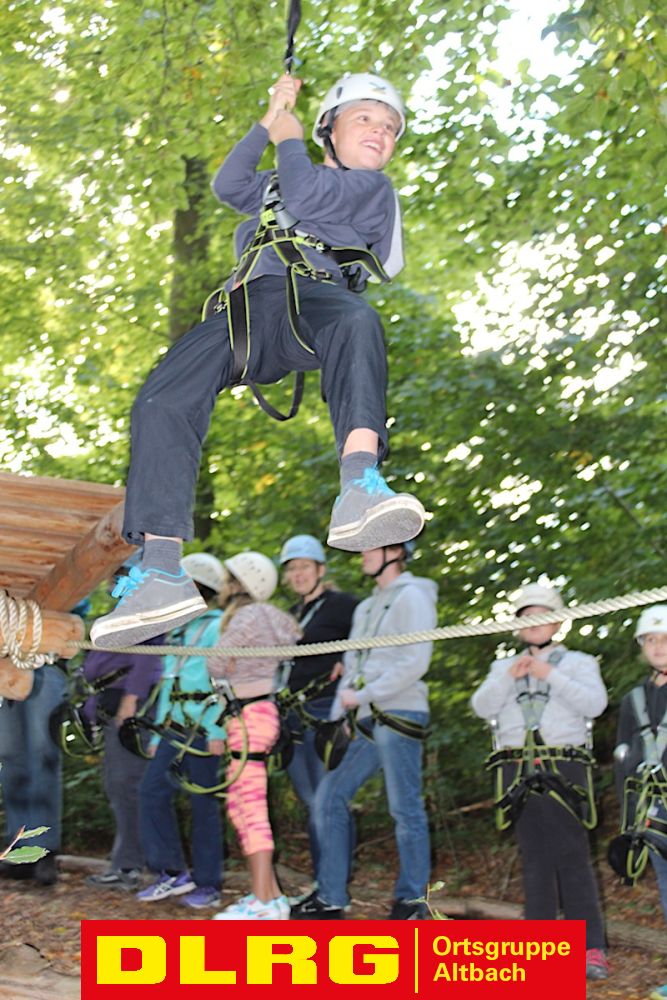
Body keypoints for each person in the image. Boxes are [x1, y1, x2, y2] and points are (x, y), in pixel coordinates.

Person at [90, 70, 425, 652]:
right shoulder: (280, 180)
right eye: (365, 119)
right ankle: (161, 567)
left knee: (357, 321)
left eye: (390, 128)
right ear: (329, 130)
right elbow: (228, 184)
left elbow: (308, 195)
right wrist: (269, 121)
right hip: (244, 312)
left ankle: (359, 483)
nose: (381, 132)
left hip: (312, 302)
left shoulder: (371, 188)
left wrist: (288, 138)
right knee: (162, 397)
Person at [470, 583, 610, 981]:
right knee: (534, 857)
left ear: (559, 622)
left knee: (572, 854)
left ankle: (590, 947)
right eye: (526, 616)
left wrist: (551, 675)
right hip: (517, 767)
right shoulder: (502, 667)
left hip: (564, 765)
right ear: (517, 626)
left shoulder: (580, 663)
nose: (534, 623)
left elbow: (595, 705)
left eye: (542, 615)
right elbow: (481, 707)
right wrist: (507, 678)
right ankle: (540, 947)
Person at [291, 540, 436, 920]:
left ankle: (413, 902)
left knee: (404, 807)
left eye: (371, 548)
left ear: (396, 552)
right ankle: (331, 896)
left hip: (400, 709)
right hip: (364, 716)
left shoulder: (414, 596)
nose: (363, 556)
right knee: (327, 798)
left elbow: (415, 661)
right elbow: (353, 665)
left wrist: (364, 695)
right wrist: (338, 715)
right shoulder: (367, 607)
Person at [206, 551, 301, 920]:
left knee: (250, 805)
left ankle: (263, 902)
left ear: (240, 583)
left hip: (251, 715)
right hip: (251, 715)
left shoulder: (248, 616)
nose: (224, 586)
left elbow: (215, 661)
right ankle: (270, 896)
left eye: (229, 579)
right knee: (238, 803)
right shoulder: (269, 616)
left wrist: (229, 663)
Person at [136, 552, 226, 909]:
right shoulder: (176, 631)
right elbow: (168, 684)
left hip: (203, 728)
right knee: (150, 792)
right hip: (173, 728)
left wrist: (217, 730)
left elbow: (224, 683)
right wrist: (159, 733)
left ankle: (209, 882)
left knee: (203, 803)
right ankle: (172, 871)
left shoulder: (218, 627)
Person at [278, 533, 358, 880]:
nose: (298, 574)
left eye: (305, 567)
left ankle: (335, 878)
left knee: (328, 797)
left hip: (326, 708)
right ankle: (324, 877)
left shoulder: (343, 605)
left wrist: (347, 662)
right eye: (292, 569)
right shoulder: (291, 614)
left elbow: (370, 638)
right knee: (310, 798)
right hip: (294, 713)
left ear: (320, 570)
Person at [80, 562, 164, 890]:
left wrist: (132, 699)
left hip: (131, 705)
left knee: (127, 783)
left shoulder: (145, 609)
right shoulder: (122, 612)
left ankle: (132, 866)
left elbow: (148, 655)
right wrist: (90, 709)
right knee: (118, 784)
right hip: (112, 701)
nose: (112, 582)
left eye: (120, 576)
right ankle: (130, 861)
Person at [611, 605, 667, 1000]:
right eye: (650, 639)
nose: (658, 645)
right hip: (654, 814)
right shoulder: (634, 700)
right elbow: (623, 761)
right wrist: (629, 818)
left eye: (665, 638)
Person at [0, 661, 67, 885]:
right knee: (10, 759)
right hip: (4, 670)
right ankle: (19, 847)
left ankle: (44, 849)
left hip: (45, 667)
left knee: (43, 756)